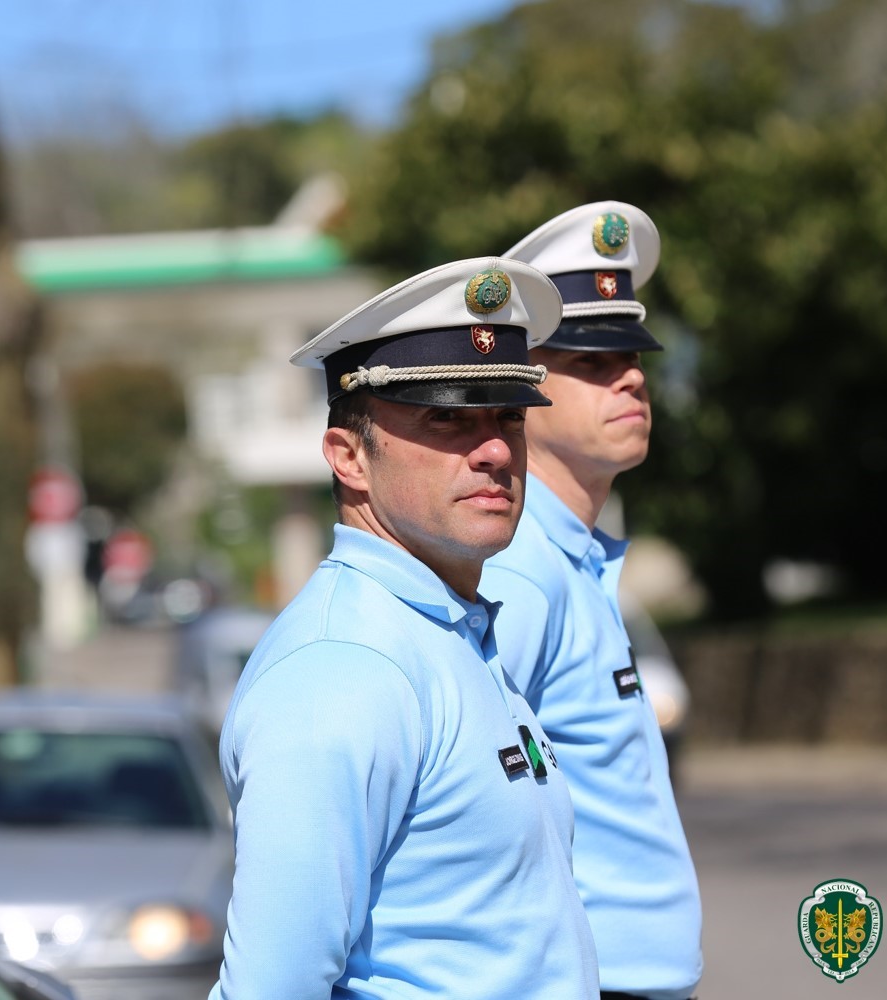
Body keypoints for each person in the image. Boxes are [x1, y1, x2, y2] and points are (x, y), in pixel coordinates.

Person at [209, 257, 599, 1000]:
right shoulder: (343, 669)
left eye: (507, 417)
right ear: (348, 457)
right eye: (446, 418)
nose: (493, 451)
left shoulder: (441, 632)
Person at [481, 202, 703, 1000]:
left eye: (632, 356)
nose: (633, 375)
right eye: (592, 362)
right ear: (521, 388)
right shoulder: (516, 573)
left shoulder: (569, 560)